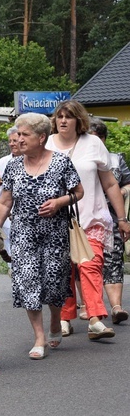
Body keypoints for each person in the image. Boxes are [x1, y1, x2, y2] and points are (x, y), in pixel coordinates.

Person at [0, 113, 84, 359]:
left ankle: (56, 320)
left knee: (55, 282)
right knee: (27, 282)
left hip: (55, 233)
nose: (19, 139)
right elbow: (5, 202)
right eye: (18, 134)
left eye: (25, 134)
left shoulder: (61, 162)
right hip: (24, 233)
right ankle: (39, 337)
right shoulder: (13, 166)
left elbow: (78, 192)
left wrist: (59, 202)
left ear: (41, 137)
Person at [45, 100, 129, 340]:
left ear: (78, 120)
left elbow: (110, 183)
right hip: (57, 220)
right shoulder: (47, 143)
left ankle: (94, 318)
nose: (63, 121)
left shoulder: (93, 143)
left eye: (68, 117)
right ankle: (64, 317)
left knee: (90, 265)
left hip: (91, 217)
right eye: (59, 116)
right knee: (63, 271)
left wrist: (122, 218)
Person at [89, 118, 130, 325]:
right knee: (87, 261)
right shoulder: (75, 157)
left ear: (103, 139)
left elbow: (128, 182)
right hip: (85, 217)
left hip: (111, 217)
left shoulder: (115, 159)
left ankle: (116, 307)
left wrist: (122, 190)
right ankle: (89, 307)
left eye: (95, 137)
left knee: (114, 259)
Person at [0, 127, 21, 262]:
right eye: (10, 141)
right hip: (7, 219)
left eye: (15, 140)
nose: (11, 144)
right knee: (14, 261)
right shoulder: (1, 164)